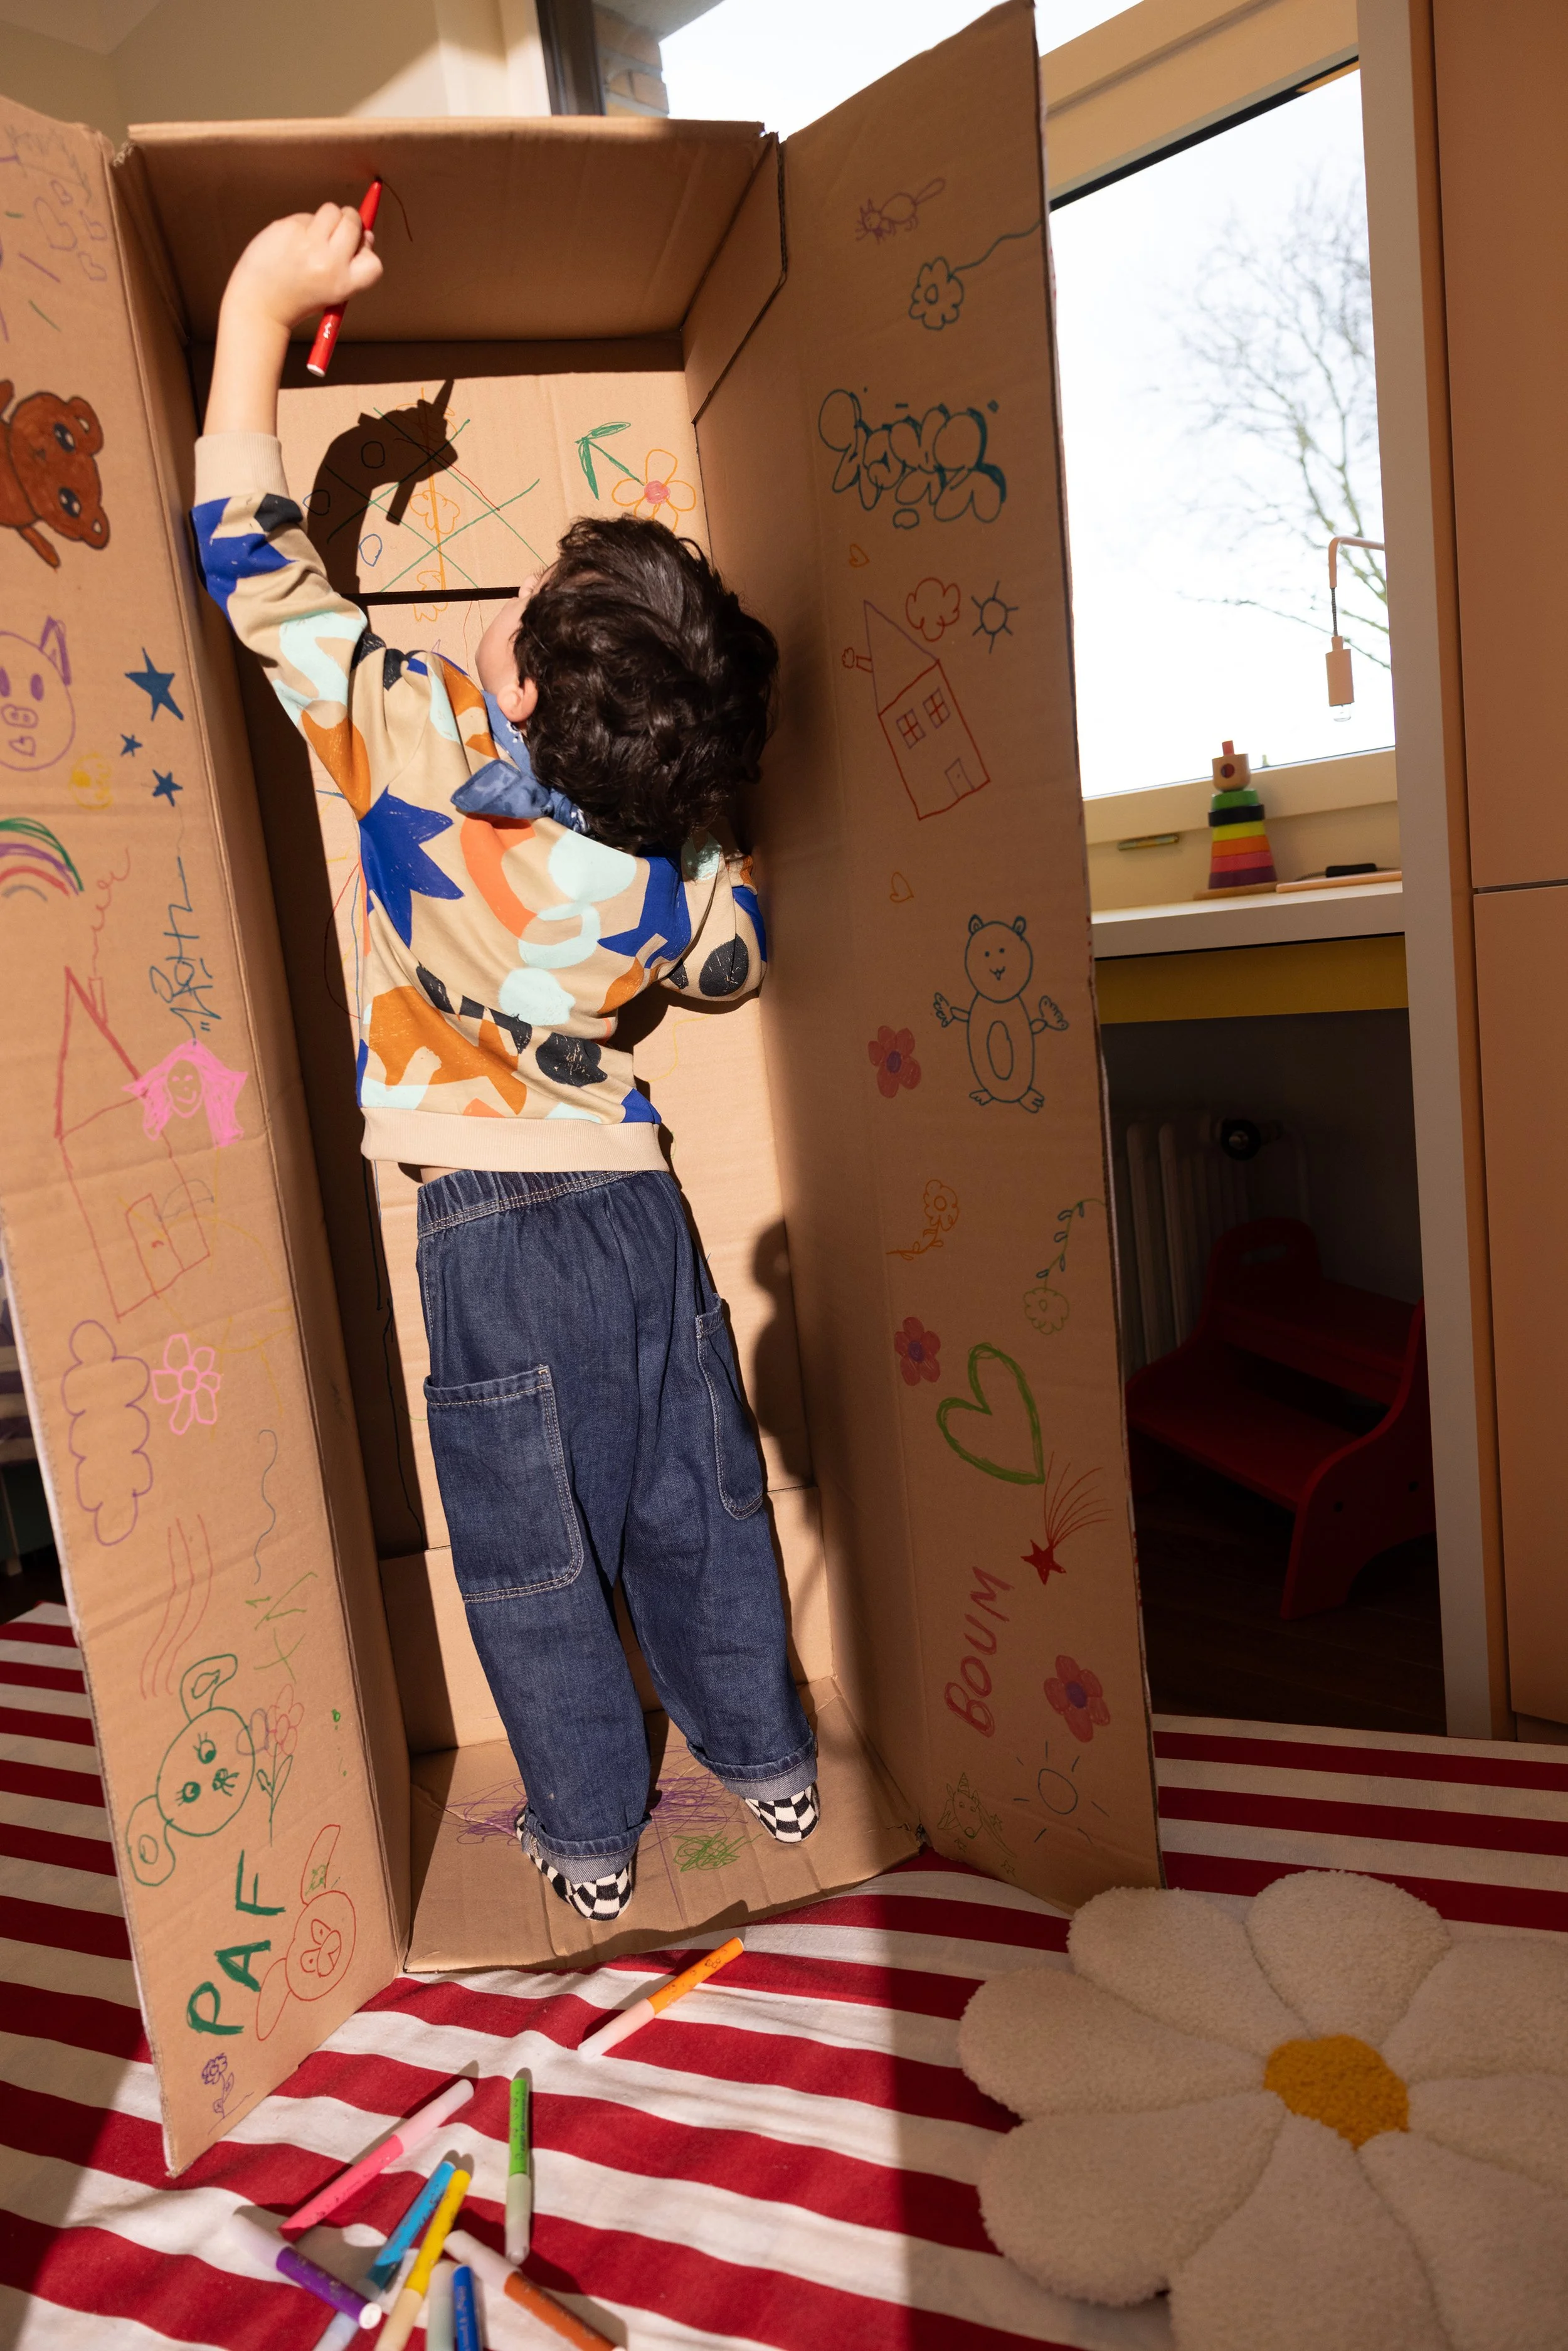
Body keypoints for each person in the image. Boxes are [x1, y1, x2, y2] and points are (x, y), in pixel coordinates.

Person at [194, 202, 816, 1921]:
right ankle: (764, 1756)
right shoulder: (664, 852)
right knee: (698, 1498)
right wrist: (712, 844)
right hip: (638, 1215)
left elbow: (255, 562)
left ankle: (590, 1831)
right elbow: (728, 961)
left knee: (532, 1557)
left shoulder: (410, 746)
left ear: (525, 682)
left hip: (485, 1233)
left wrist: (257, 309)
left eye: (528, 598)